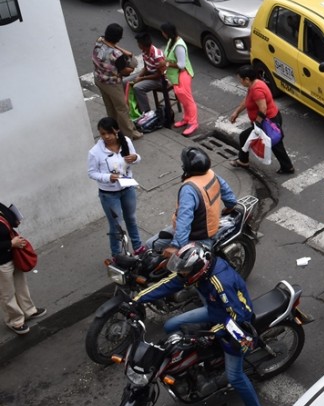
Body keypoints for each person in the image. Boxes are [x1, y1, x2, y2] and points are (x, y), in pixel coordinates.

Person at [132, 243, 268, 406]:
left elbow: (240, 318)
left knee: (235, 376)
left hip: (237, 324)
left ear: (199, 268)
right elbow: (171, 282)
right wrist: (137, 299)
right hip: (215, 309)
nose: (183, 275)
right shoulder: (197, 271)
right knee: (171, 325)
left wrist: (211, 333)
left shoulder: (221, 283)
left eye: (186, 271)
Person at [156, 147, 238, 257]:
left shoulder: (189, 189)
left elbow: (184, 220)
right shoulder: (210, 173)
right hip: (212, 228)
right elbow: (227, 192)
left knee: (153, 247)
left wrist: (176, 246)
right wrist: (230, 206)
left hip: (196, 236)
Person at [87, 117, 143, 257]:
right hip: (109, 194)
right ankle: (117, 254)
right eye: (103, 134)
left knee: (131, 218)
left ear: (116, 131)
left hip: (127, 188)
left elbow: (136, 159)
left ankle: (138, 247)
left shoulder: (126, 142)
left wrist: (135, 158)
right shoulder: (95, 152)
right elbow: (92, 173)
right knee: (116, 225)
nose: (106, 137)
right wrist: (108, 178)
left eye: (109, 133)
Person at [229, 65, 294, 175]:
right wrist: (237, 112)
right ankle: (243, 161)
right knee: (249, 138)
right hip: (267, 120)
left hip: (268, 121)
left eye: (240, 79)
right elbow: (248, 100)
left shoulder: (257, 90)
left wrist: (258, 125)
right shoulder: (254, 84)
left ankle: (288, 167)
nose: (240, 81)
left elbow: (263, 109)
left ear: (247, 79)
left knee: (275, 144)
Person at [0, 201, 45, 336]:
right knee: (7, 293)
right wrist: (10, 243)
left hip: (14, 255)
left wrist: (14, 221)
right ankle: (15, 321)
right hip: (2, 261)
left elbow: (8, 216)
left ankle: (29, 310)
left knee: (21, 286)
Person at [92, 23, 144, 140]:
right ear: (118, 38)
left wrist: (117, 47)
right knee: (122, 108)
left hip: (99, 79)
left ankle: (113, 129)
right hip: (112, 84)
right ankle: (130, 133)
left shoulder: (99, 41)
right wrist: (130, 60)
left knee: (110, 107)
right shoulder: (117, 55)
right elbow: (125, 72)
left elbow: (111, 46)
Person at [161, 22, 199, 136]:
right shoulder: (171, 41)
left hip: (183, 74)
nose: (162, 34)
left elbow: (181, 65)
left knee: (187, 99)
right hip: (175, 76)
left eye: (163, 32)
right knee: (182, 98)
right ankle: (186, 118)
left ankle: (193, 122)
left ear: (167, 33)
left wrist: (166, 64)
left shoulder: (179, 46)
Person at [131, 31, 166, 116]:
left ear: (142, 44)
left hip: (159, 80)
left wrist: (141, 79)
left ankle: (147, 113)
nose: (138, 45)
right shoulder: (144, 51)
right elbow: (146, 67)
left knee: (137, 87)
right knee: (125, 82)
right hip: (149, 74)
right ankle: (135, 108)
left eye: (138, 43)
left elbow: (159, 74)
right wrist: (139, 76)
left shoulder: (157, 56)